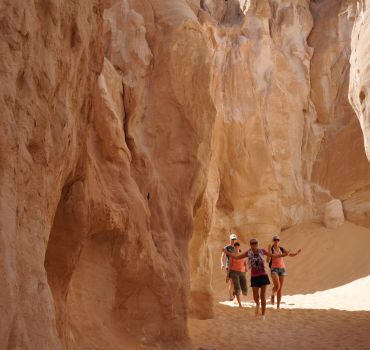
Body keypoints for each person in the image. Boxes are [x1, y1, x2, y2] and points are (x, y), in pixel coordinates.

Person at [223, 238, 288, 320]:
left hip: (263, 275)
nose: (254, 245)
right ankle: (257, 304)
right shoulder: (248, 252)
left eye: (255, 243)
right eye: (252, 243)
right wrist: (226, 252)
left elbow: (274, 256)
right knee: (255, 296)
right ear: (250, 244)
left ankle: (263, 315)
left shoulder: (262, 251)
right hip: (254, 276)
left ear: (257, 244)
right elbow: (237, 257)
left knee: (263, 296)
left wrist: (285, 254)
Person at [266, 235, 301, 309]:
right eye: (275, 240)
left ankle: (278, 306)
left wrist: (296, 253)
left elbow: (289, 254)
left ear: (279, 241)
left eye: (277, 240)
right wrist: (269, 251)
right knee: (277, 286)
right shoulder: (271, 249)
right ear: (273, 241)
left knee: (280, 288)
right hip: (274, 269)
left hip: (282, 269)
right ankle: (272, 293)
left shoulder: (281, 248)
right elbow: (267, 260)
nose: (276, 241)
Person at [227, 242, 247, 308]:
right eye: (235, 247)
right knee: (237, 287)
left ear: (239, 247)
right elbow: (229, 266)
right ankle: (240, 304)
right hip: (234, 272)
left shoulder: (242, 255)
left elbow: (244, 262)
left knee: (242, 287)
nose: (236, 248)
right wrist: (227, 275)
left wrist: (245, 269)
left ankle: (236, 297)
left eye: (237, 246)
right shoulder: (232, 256)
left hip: (241, 272)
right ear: (234, 248)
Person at [221, 233, 238, 300]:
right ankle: (231, 296)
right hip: (229, 266)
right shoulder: (227, 247)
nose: (233, 240)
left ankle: (233, 293)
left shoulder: (237, 247)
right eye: (232, 239)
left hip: (236, 266)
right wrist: (222, 263)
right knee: (232, 281)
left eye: (234, 239)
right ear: (230, 239)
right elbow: (222, 256)